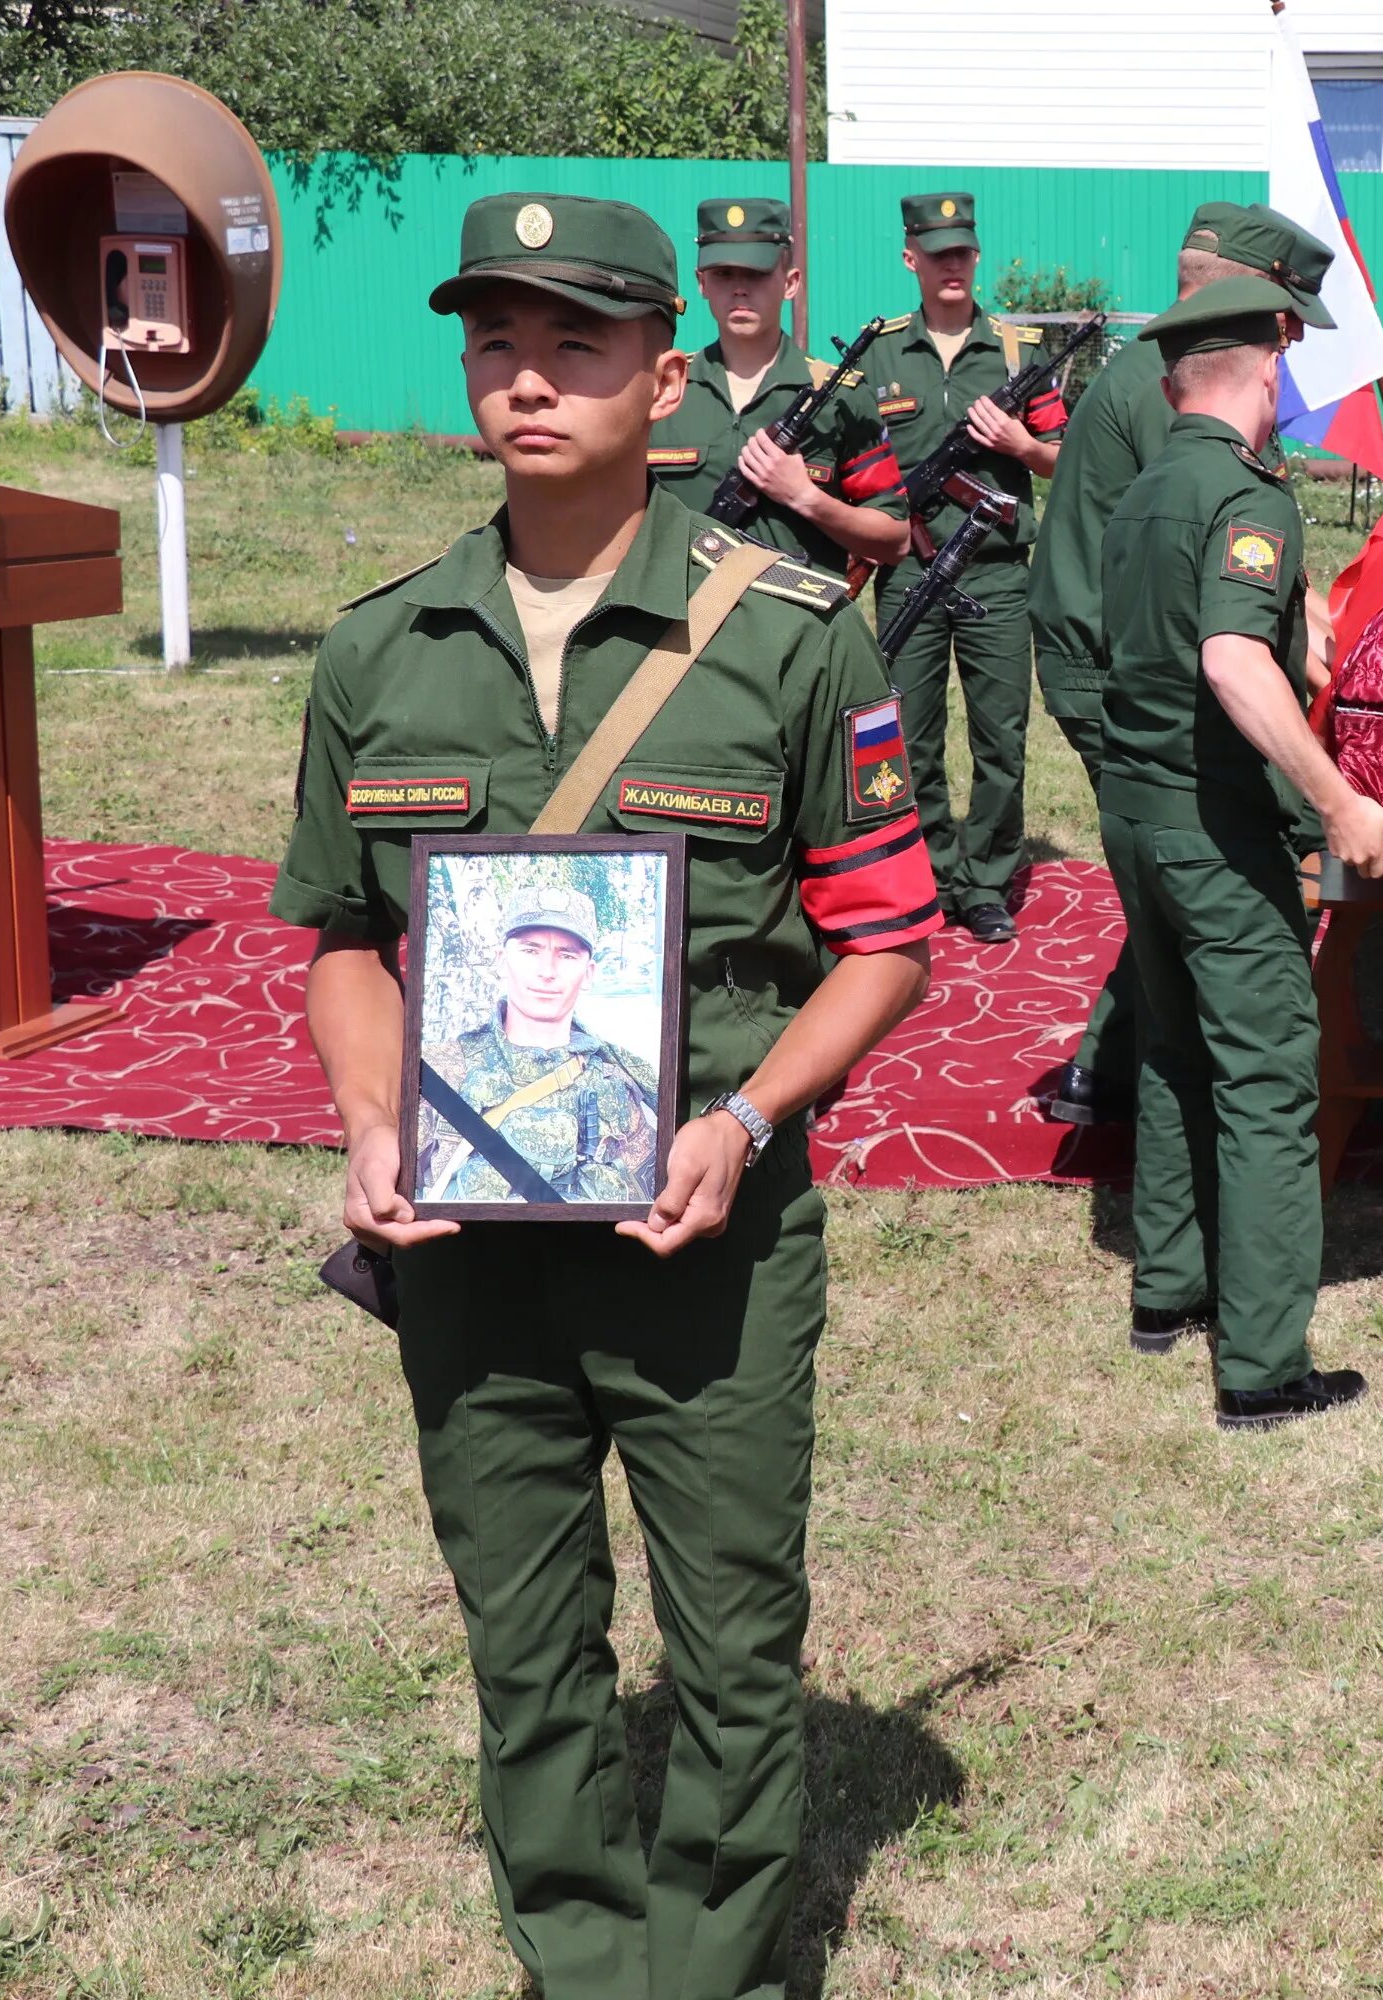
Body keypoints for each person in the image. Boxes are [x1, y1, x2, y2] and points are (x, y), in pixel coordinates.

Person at [272, 192, 940, 1999]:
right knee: (527, 1641)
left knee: (731, 1647)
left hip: (708, 1233)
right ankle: (579, 1964)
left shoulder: (795, 638)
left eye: (576, 345)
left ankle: (709, 1971)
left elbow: (886, 939)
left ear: (665, 379)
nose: (529, 381)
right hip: (472, 1246)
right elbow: (340, 931)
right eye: (497, 342)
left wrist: (746, 1123)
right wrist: (368, 1114)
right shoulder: (382, 649)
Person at [1096, 275, 1383, 1430]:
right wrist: (1334, 801)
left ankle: (1167, 1291)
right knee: (1272, 1078)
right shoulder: (1247, 497)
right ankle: (1264, 1364)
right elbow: (1230, 658)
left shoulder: (1143, 493)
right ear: (1269, 368)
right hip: (1212, 827)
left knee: (1176, 1051)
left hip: (1132, 813)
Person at [1025, 201, 1337, 1143]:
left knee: (1177, 864)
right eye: (1283, 311)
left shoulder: (1169, 371)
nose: (1289, 336)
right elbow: (1217, 573)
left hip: (1129, 657)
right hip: (1121, 669)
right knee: (1196, 856)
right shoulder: (1175, 391)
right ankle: (1119, 1066)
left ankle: (1111, 1068)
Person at [867, 191, 1070, 945]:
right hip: (908, 573)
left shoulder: (1017, 353)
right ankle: (926, 875)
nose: (952, 266)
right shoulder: (879, 353)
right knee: (907, 735)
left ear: (975, 258)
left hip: (996, 572)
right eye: (937, 252)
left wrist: (1020, 445)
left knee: (1000, 738)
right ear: (911, 259)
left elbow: (1069, 460)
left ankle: (985, 881)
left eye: (963, 252)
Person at [643, 196, 909, 575]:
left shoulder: (839, 395)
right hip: (681, 624)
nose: (739, 289)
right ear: (701, 282)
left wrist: (806, 498)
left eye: (756, 274)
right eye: (724, 274)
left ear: (790, 282)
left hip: (799, 628)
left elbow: (895, 539)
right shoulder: (664, 388)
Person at [412, 885, 662, 1205]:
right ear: (502, 960)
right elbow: (403, 1189)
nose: (547, 971)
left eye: (567, 954)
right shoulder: (438, 1069)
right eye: (530, 950)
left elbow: (648, 1199)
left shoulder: (618, 1082)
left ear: (588, 974)